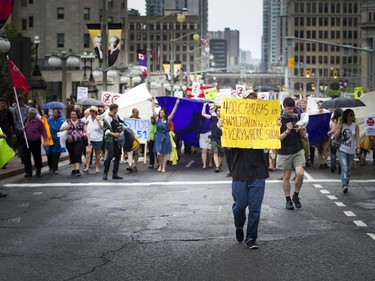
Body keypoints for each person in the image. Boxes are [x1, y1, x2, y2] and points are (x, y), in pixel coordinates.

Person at [217, 111, 269, 249]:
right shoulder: (235, 125)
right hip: (240, 171)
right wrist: (223, 129)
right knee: (240, 205)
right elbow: (227, 145)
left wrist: (276, 127)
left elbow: (271, 142)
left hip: (258, 171)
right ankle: (239, 225)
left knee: (255, 208)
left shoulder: (262, 124)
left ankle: (251, 238)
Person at [277, 97, 306, 210]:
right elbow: (278, 138)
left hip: (298, 149)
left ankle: (296, 195)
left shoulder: (297, 117)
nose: (290, 111)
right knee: (287, 175)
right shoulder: (279, 119)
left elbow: (304, 135)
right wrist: (287, 131)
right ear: (284, 107)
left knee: (300, 173)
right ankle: (288, 199)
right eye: (289, 109)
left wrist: (301, 129)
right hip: (284, 151)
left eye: (292, 109)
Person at [151, 97, 179, 173]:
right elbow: (153, 110)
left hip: (166, 136)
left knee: (165, 153)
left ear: (165, 114)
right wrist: (153, 101)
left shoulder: (168, 119)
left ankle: (163, 167)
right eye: (160, 112)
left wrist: (176, 103)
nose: (161, 114)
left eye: (162, 113)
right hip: (159, 137)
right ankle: (160, 164)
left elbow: (173, 112)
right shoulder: (157, 119)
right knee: (158, 153)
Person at [336, 109, 360, 193]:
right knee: (344, 168)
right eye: (351, 115)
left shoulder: (355, 126)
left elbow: (357, 137)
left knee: (348, 169)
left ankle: (346, 183)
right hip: (342, 149)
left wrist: (358, 147)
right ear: (346, 116)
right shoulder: (342, 125)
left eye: (353, 114)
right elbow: (335, 137)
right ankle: (344, 185)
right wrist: (339, 129)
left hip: (351, 150)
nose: (353, 116)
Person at [60, 109, 87, 177]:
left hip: (79, 140)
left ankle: (77, 169)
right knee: (71, 154)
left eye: (74, 114)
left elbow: (86, 130)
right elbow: (60, 129)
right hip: (69, 141)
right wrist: (66, 128)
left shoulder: (81, 122)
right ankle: (73, 169)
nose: (73, 116)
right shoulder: (67, 121)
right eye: (72, 114)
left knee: (77, 153)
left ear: (77, 115)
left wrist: (88, 139)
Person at [22, 108, 47, 178]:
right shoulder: (26, 120)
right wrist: (23, 129)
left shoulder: (39, 121)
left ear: (34, 115)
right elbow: (24, 128)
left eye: (30, 113)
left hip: (36, 142)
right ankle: (28, 172)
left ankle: (38, 169)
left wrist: (45, 140)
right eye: (28, 113)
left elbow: (43, 131)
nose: (28, 115)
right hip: (27, 141)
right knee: (26, 157)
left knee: (37, 156)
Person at [102, 103, 123, 180]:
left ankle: (115, 173)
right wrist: (114, 134)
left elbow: (121, 122)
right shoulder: (106, 118)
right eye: (117, 109)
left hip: (117, 140)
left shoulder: (116, 116)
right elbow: (105, 130)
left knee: (118, 156)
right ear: (114, 109)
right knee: (110, 156)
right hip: (110, 139)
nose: (117, 110)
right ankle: (105, 173)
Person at [201, 103, 224, 173]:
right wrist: (204, 105)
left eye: (220, 111)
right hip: (214, 138)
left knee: (221, 153)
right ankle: (217, 166)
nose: (219, 112)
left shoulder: (225, 120)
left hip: (222, 138)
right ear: (216, 112)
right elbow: (203, 114)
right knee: (215, 152)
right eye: (218, 111)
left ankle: (219, 164)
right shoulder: (213, 118)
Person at [84, 106, 103, 173]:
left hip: (98, 138)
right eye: (90, 111)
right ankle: (87, 167)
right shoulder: (88, 118)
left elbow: (102, 128)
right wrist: (85, 125)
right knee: (88, 152)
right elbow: (85, 126)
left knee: (97, 153)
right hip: (90, 137)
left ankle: (97, 167)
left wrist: (98, 121)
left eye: (91, 111)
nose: (90, 113)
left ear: (95, 112)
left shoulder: (99, 118)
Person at [46, 109, 65, 174]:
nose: (54, 114)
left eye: (56, 113)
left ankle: (55, 168)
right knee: (48, 153)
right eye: (53, 112)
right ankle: (50, 166)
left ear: (59, 114)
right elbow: (46, 128)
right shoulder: (49, 120)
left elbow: (62, 130)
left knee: (55, 154)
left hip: (57, 139)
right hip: (50, 139)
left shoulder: (61, 121)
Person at [327, 108, 343, 173]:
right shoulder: (343, 120)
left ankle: (333, 166)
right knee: (341, 154)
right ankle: (340, 168)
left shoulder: (334, 120)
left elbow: (333, 130)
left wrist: (328, 133)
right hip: (342, 138)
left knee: (333, 153)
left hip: (334, 138)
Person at [126, 108, 141, 173]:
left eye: (138, 112)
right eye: (136, 112)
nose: (137, 114)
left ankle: (135, 165)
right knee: (130, 152)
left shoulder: (140, 120)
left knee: (136, 153)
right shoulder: (128, 120)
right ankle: (130, 165)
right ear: (133, 113)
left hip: (137, 139)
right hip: (130, 139)